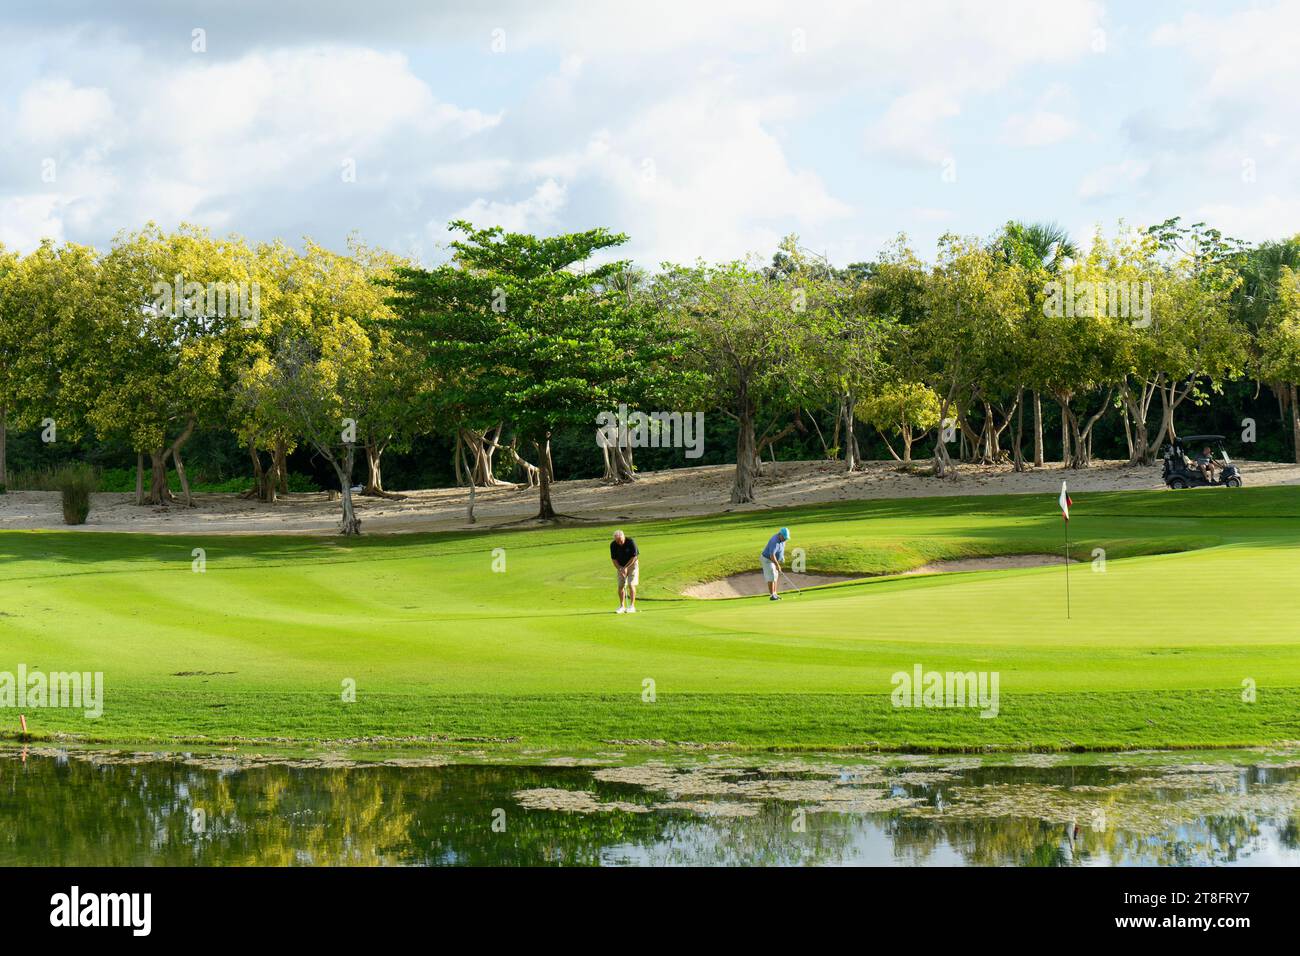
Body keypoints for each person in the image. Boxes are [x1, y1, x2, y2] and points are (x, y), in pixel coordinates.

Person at [609, 529, 639, 614]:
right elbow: (614, 559)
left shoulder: (631, 542)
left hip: (632, 565)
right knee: (620, 586)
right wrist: (620, 569)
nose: (619, 543)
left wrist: (626, 567)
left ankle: (632, 606)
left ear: (624, 537)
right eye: (617, 541)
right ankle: (622, 606)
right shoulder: (613, 545)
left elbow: (634, 557)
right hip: (620, 566)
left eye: (621, 540)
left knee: (631, 584)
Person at [761, 527, 790, 601]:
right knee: (771, 576)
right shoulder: (775, 541)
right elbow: (772, 555)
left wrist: (782, 557)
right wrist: (777, 565)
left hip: (773, 560)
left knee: (776, 576)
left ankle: (775, 594)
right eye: (784, 537)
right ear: (780, 534)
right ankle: (772, 595)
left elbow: (781, 549)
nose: (785, 539)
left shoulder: (783, 540)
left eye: (786, 538)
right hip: (767, 559)